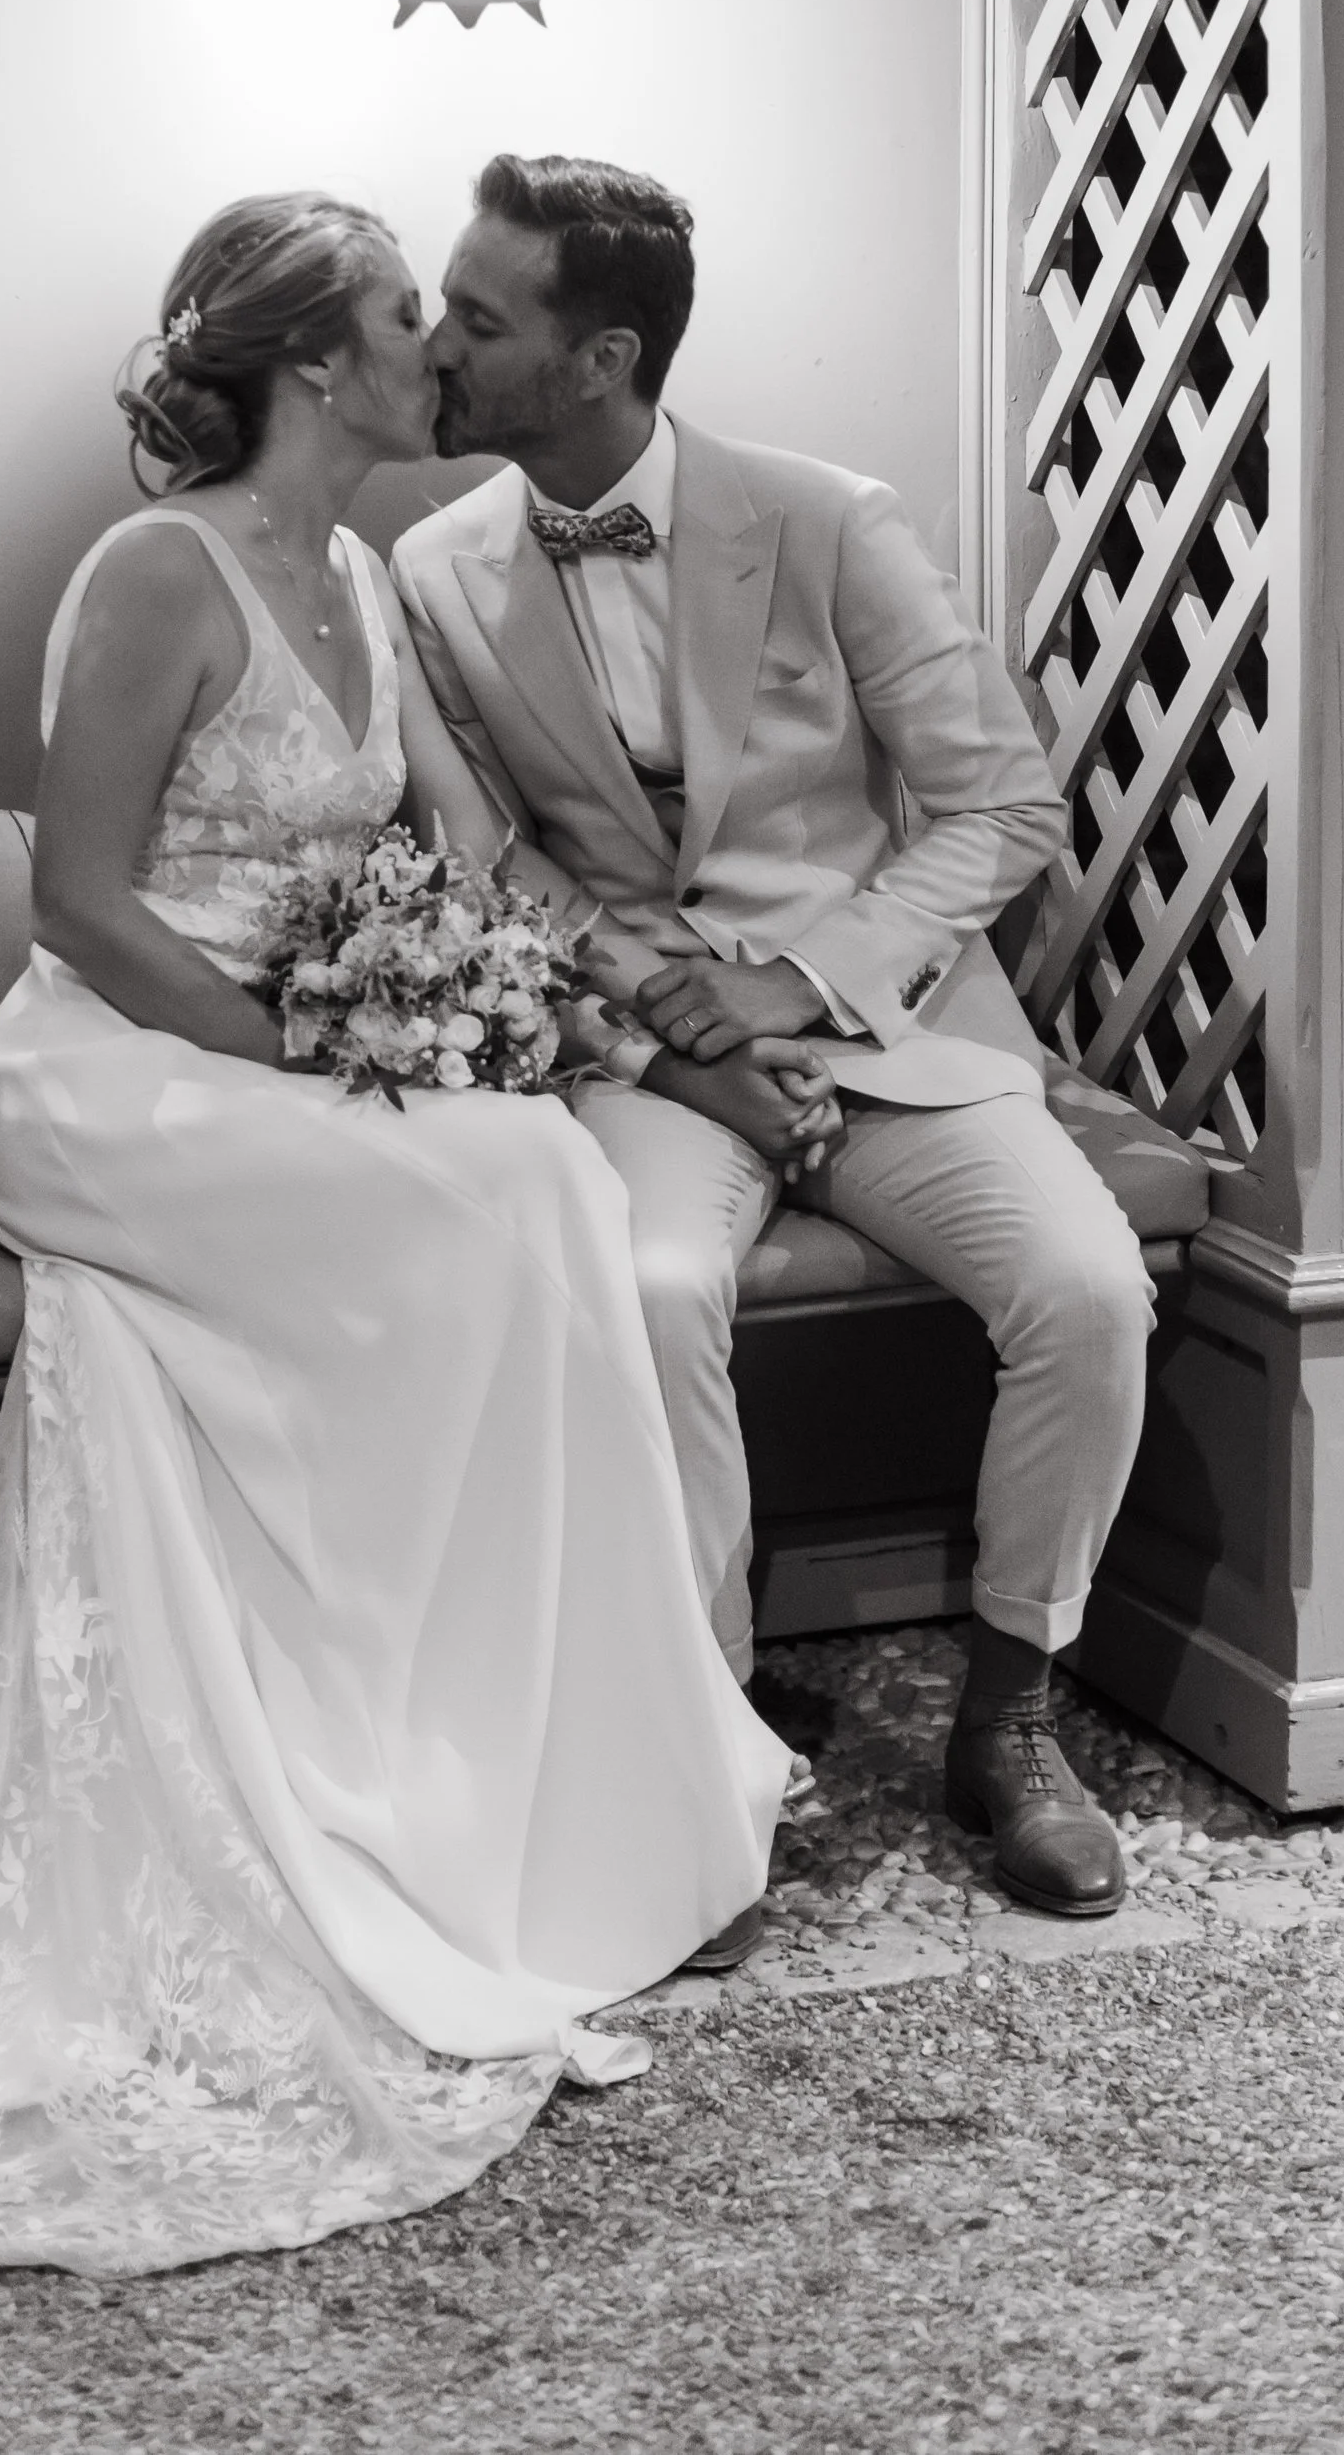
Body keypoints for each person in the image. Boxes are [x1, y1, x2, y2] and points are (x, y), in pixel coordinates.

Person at [0, 192, 792, 2276]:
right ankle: (382, 1765)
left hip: (282, 1048)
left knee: (537, 1180)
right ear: (315, 366)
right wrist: (314, 1047)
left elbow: (409, 851)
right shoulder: (154, 572)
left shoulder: (367, 577)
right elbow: (86, 906)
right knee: (499, 1190)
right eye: (409, 317)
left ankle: (470, 1777)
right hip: (116, 1064)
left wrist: (469, 999)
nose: (436, 349)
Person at [393, 155, 1156, 1922]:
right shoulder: (438, 570)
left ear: (603, 357)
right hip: (644, 1055)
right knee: (654, 1289)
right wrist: (672, 1023)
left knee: (1092, 1287)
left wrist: (800, 989)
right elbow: (493, 863)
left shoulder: (825, 519)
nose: (440, 339)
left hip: (885, 1029)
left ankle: (1013, 1714)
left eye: (480, 315)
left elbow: (1000, 808)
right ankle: (707, 1746)